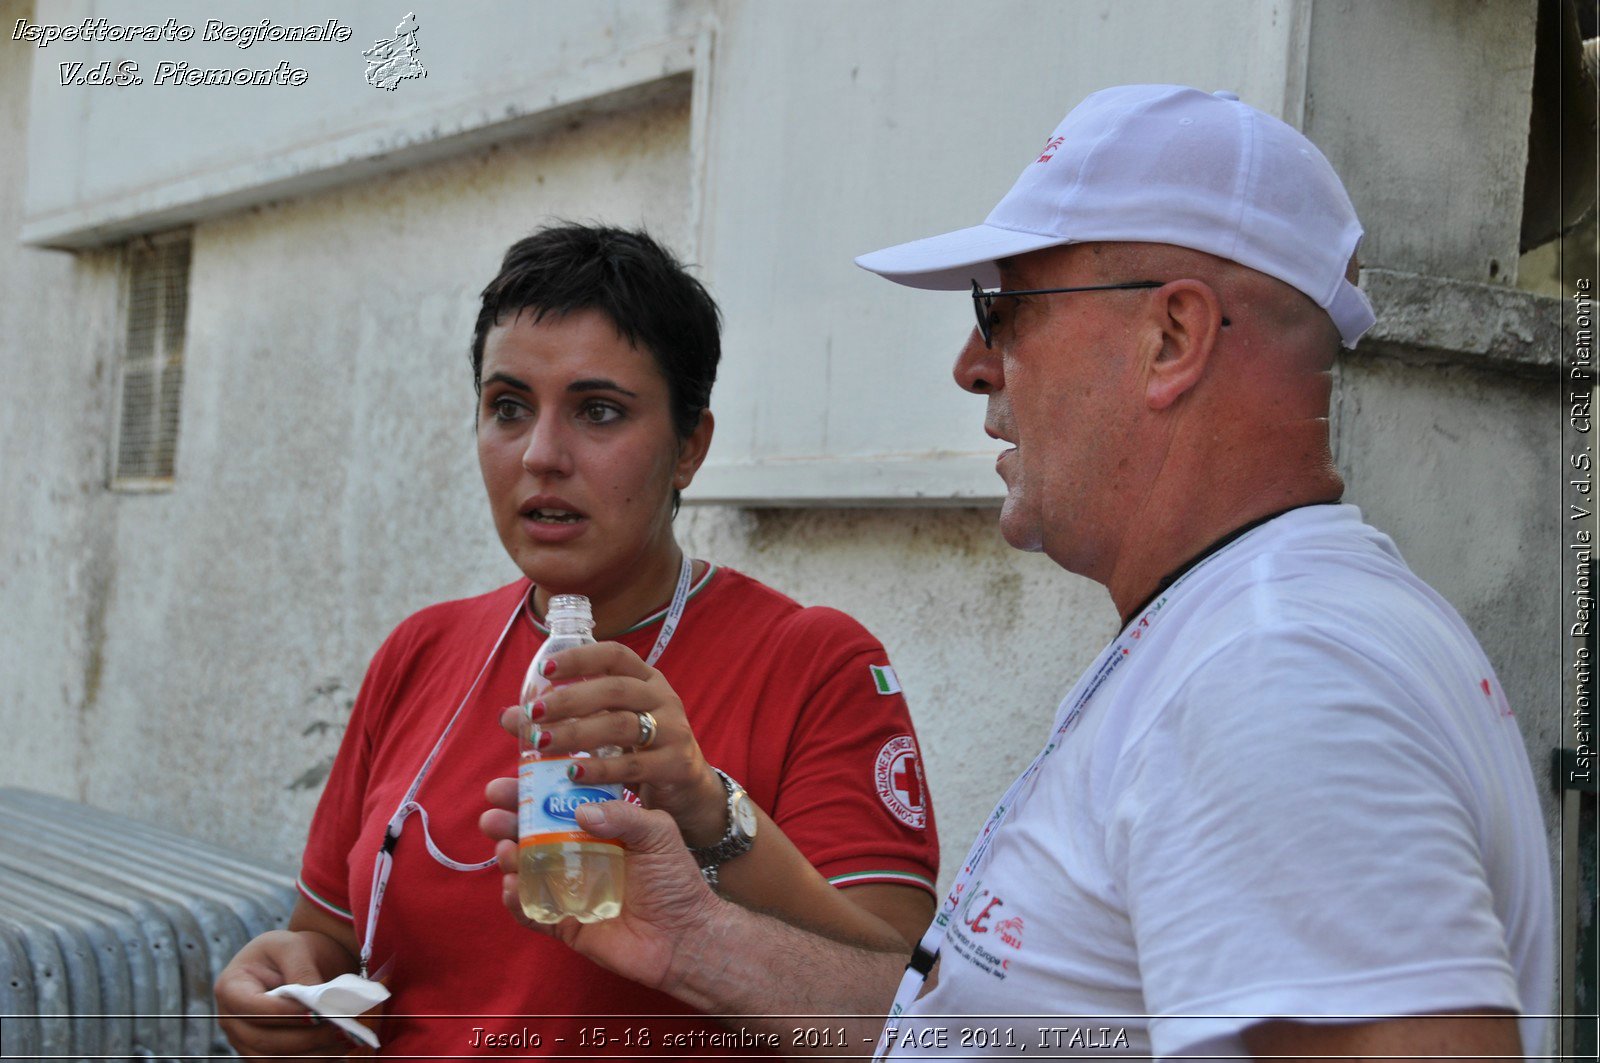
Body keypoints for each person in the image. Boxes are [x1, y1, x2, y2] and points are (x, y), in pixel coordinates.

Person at [479, 85, 1555, 1060]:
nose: (971, 363)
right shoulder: (1238, 633)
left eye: (1003, 306)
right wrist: (693, 940)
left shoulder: (1275, 675)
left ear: (1171, 336)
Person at [213, 225, 939, 1058]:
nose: (541, 455)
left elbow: (902, 1001)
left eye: (599, 412)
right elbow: (332, 937)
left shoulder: (812, 663)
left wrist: (710, 813)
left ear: (690, 448)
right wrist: (290, 980)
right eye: (508, 407)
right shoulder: (423, 650)